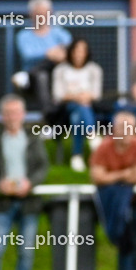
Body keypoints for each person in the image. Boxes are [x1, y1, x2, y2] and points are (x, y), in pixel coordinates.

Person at [0, 94, 49, 270]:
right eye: (8, 113)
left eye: (15, 112)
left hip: (29, 203)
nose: (12, 117)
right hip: (3, 203)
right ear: (2, 116)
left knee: (26, 251)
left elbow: (43, 167)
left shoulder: (33, 139)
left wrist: (30, 183)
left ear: (23, 114)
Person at [90, 110, 136, 270]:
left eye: (128, 128)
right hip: (114, 205)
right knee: (124, 244)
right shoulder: (104, 147)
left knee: (135, 245)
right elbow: (97, 176)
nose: (124, 132)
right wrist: (123, 175)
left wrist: (112, 176)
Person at [14, 0, 72, 113]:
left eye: (44, 13)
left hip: (58, 73)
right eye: (37, 13)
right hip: (33, 79)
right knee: (41, 74)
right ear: (31, 14)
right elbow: (27, 56)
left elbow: (70, 51)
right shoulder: (23, 36)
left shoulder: (60, 33)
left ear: (50, 13)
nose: (41, 17)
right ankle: (49, 112)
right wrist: (49, 53)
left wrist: (55, 55)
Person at [52, 37, 103, 171]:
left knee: (77, 118)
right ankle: (92, 134)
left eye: (82, 51)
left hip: (89, 108)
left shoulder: (94, 69)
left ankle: (77, 156)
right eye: (76, 51)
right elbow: (58, 95)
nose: (79, 54)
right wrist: (77, 97)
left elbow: (96, 94)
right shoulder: (61, 70)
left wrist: (85, 97)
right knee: (79, 108)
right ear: (71, 52)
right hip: (66, 108)